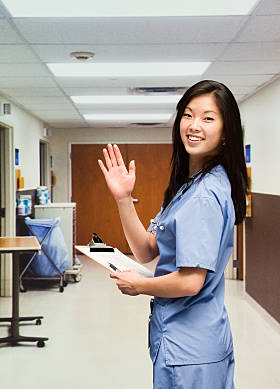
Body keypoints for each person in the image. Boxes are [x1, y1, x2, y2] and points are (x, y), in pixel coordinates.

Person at [97, 80, 248, 389]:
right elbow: (147, 250)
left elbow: (191, 282)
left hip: (190, 348)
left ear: (225, 132)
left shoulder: (204, 195)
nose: (194, 125)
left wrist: (141, 285)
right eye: (188, 115)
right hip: (187, 341)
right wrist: (123, 198)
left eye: (208, 118)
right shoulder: (189, 185)